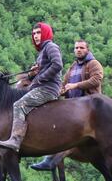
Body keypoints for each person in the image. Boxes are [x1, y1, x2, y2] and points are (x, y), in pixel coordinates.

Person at [30, 39, 104, 171]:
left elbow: (96, 79)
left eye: (81, 47)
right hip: (72, 106)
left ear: (87, 50)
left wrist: (76, 85)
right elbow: (64, 85)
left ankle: (50, 159)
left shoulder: (94, 64)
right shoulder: (73, 67)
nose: (78, 50)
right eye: (76, 48)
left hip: (88, 105)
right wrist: (60, 91)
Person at [0, 22, 63, 152]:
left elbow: (57, 65)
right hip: (41, 86)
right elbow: (43, 70)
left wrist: (40, 77)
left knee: (18, 105)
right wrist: (32, 74)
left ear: (46, 33)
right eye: (34, 34)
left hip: (48, 88)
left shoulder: (51, 46)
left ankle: (15, 140)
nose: (36, 36)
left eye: (39, 33)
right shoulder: (43, 51)